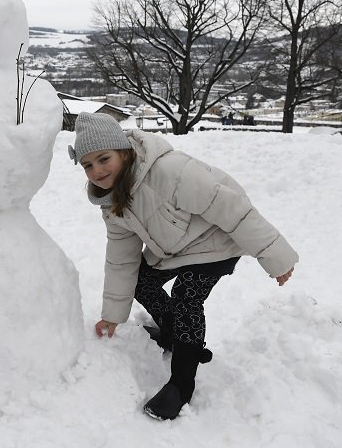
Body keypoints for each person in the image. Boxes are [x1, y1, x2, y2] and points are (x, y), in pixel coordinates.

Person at [68, 112, 297, 420]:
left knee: (186, 296)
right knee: (141, 280)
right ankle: (173, 333)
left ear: (124, 152)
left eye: (103, 158)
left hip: (217, 241)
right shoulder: (111, 202)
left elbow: (233, 210)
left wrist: (275, 257)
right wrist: (112, 315)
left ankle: (181, 384)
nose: (96, 170)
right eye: (87, 165)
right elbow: (122, 258)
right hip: (176, 246)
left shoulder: (169, 172)